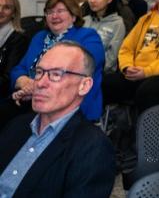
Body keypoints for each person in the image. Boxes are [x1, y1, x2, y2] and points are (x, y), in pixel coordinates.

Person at [0, 42, 116, 197]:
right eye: (39, 72)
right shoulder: (17, 125)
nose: (40, 83)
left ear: (84, 86)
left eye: (56, 74)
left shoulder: (94, 148)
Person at [3, 0, 104, 128]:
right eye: (49, 12)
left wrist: (36, 86)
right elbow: (18, 69)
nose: (54, 16)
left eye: (60, 11)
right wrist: (23, 81)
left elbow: (73, 71)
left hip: (69, 106)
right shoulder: (39, 37)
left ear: (73, 16)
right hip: (32, 100)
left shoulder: (87, 36)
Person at [83, 0, 126, 73]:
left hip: (103, 73)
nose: (92, 0)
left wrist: (91, 71)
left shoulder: (117, 23)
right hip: (80, 70)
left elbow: (112, 58)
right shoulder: (85, 20)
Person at [0, 0, 29, 97]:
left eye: (6, 7)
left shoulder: (19, 39)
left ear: (14, 13)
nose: (0, 11)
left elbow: (8, 78)